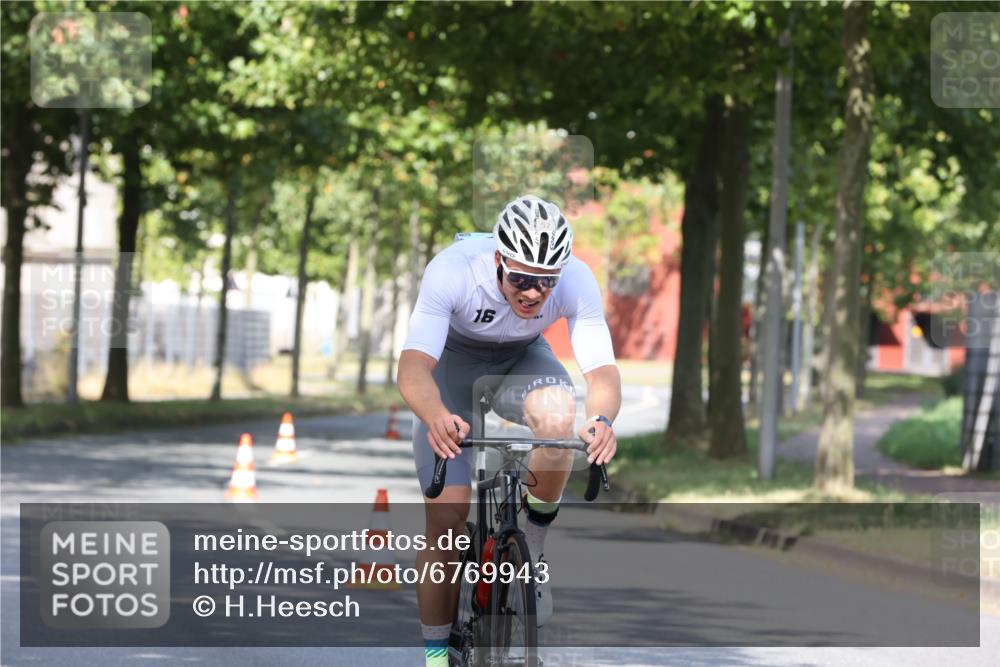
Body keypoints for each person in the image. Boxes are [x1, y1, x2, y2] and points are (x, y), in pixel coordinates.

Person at [397, 194, 621, 667]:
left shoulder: (577, 278)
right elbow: (414, 367)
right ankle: (437, 657)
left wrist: (601, 421)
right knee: (447, 523)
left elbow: (601, 372)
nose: (534, 292)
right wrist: (437, 415)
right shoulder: (453, 270)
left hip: (522, 359)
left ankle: (532, 551)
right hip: (451, 368)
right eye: (520, 278)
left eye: (545, 281)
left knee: (561, 419)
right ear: (499, 258)